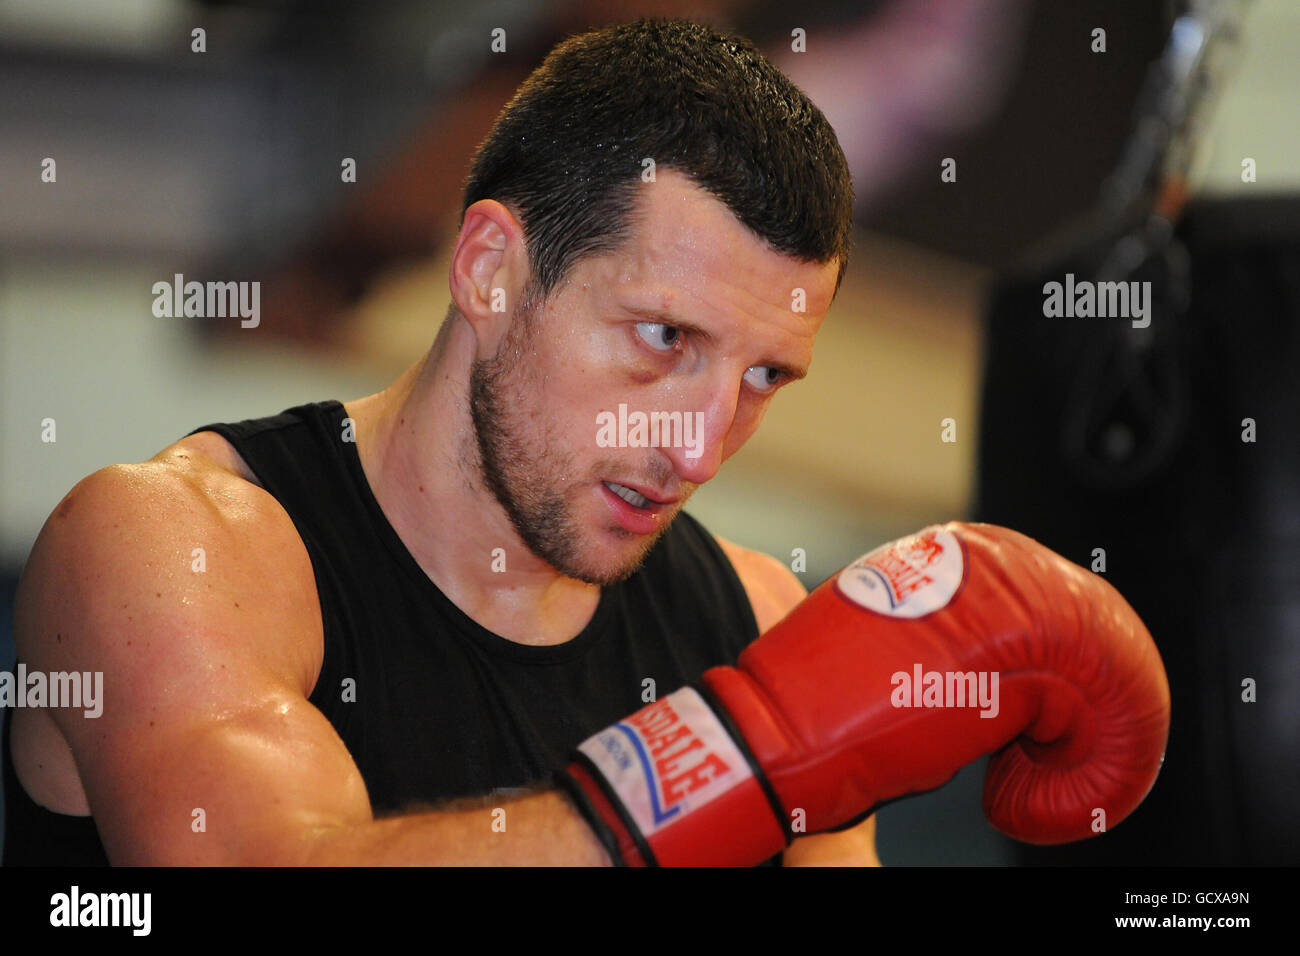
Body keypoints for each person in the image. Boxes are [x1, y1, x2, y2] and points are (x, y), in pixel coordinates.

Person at [4, 18, 873, 865]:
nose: (701, 453)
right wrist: (710, 777)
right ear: (490, 270)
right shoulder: (175, 551)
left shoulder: (758, 625)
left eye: (763, 378)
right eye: (663, 338)